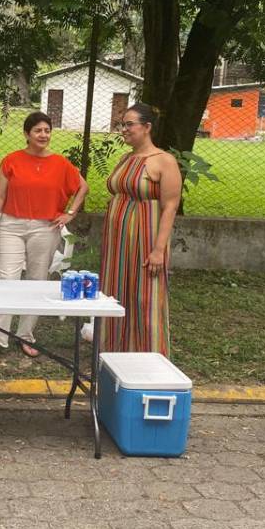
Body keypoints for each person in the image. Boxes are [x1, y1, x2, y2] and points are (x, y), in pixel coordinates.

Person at [0, 111, 89, 362]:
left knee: (36, 279)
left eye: (47, 130)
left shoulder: (61, 163)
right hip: (11, 225)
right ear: (27, 134)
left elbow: (83, 187)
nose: (43, 135)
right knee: (6, 278)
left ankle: (25, 335)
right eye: (38, 130)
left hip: (45, 227)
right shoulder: (11, 160)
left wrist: (70, 213)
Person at [100, 102, 181, 354]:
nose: (123, 129)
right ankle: (114, 353)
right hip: (117, 242)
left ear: (147, 127)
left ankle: (150, 358)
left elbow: (170, 206)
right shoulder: (126, 158)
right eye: (122, 124)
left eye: (129, 124)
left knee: (145, 297)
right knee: (115, 292)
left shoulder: (164, 161)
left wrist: (159, 250)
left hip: (146, 238)